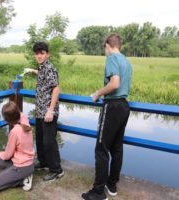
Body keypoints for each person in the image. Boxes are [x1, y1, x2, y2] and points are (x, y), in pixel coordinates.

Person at [82, 33, 132, 200]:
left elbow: (115, 83)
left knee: (101, 149)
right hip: (124, 106)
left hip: (112, 106)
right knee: (117, 148)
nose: (105, 51)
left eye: (104, 48)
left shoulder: (112, 58)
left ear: (107, 46)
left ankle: (98, 192)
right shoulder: (126, 61)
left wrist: (97, 93)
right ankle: (112, 185)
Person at [24, 41, 64, 182]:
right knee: (40, 138)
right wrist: (32, 70)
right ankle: (44, 162)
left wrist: (51, 111)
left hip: (48, 112)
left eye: (42, 53)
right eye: (37, 53)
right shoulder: (42, 68)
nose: (39, 56)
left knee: (49, 141)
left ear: (47, 54)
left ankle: (56, 170)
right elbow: (41, 74)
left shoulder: (50, 68)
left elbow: (56, 88)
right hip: (40, 111)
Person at [0, 101, 35, 192]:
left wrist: (1, 154)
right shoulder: (25, 121)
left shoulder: (15, 131)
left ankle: (22, 180)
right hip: (24, 162)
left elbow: (8, 155)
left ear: (7, 120)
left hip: (22, 166)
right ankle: (17, 174)